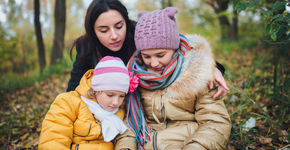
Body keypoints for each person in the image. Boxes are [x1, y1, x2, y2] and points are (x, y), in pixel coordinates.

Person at [114, 7, 231, 150]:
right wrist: (125, 147)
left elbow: (215, 122)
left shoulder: (197, 73)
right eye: (146, 56)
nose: (154, 63)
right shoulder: (136, 75)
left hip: (186, 143)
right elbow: (130, 121)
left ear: (174, 48)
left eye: (160, 55)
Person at [66, 0, 229, 99]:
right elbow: (72, 91)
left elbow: (182, 46)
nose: (114, 36)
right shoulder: (86, 46)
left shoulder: (141, 34)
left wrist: (212, 67)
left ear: (126, 21)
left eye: (119, 26)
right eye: (104, 30)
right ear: (93, 31)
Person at [38, 56, 139, 149]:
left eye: (121, 96)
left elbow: (125, 136)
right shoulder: (70, 102)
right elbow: (55, 135)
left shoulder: (121, 110)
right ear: (96, 90)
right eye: (110, 95)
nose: (116, 102)